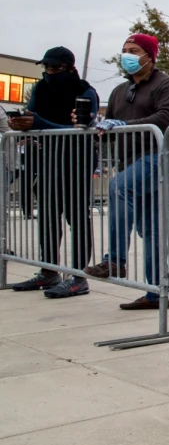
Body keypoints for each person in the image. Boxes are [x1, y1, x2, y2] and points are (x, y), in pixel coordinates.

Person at [83, 33, 169, 310]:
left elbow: (166, 118)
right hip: (129, 160)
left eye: (134, 50)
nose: (127, 55)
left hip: (159, 156)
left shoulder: (168, 84)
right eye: (125, 49)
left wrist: (121, 125)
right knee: (150, 228)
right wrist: (94, 126)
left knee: (119, 186)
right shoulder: (120, 90)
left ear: (150, 56)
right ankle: (157, 293)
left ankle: (114, 260)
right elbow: (112, 127)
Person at [8, 47, 99, 298]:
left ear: (70, 68)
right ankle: (48, 271)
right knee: (48, 215)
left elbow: (79, 129)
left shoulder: (85, 92)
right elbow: (32, 115)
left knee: (76, 216)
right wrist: (20, 123)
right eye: (46, 68)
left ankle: (79, 276)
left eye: (55, 68)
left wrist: (38, 123)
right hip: (48, 158)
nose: (49, 72)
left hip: (77, 159)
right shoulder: (40, 88)